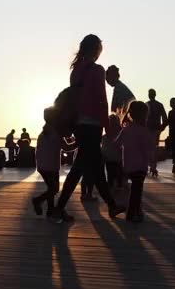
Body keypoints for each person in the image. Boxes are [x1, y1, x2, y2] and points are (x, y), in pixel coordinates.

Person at [50, 34, 126, 223]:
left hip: (78, 124)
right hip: (92, 125)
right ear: (96, 50)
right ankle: (58, 208)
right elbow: (101, 100)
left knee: (96, 166)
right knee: (81, 167)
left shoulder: (75, 70)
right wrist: (107, 126)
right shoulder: (97, 70)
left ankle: (112, 206)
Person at [114, 101, 152, 223]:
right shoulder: (143, 131)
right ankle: (132, 213)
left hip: (128, 166)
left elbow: (116, 144)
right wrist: (153, 165)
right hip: (140, 166)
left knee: (135, 189)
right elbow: (147, 151)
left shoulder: (126, 129)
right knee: (137, 191)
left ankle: (137, 211)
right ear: (144, 115)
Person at [32, 108, 63, 220]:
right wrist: (79, 143)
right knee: (54, 189)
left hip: (43, 165)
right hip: (51, 165)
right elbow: (67, 147)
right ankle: (37, 201)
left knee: (51, 188)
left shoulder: (44, 131)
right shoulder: (56, 131)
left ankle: (50, 211)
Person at [146, 88, 168, 176]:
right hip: (156, 129)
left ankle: (151, 166)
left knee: (148, 148)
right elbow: (165, 118)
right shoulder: (159, 105)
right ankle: (153, 167)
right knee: (154, 148)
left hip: (148, 129)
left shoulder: (146, 104)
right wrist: (162, 128)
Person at [103, 114, 124, 190]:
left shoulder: (104, 137)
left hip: (109, 158)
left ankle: (112, 184)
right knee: (118, 173)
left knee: (111, 173)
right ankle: (118, 185)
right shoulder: (119, 135)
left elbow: (104, 149)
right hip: (117, 158)